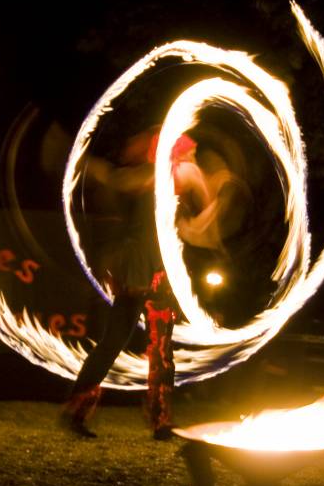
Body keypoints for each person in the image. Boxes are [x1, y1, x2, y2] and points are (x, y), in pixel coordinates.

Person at [61, 126, 245, 440]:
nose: (192, 157)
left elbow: (200, 224)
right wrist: (90, 165)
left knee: (160, 347)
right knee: (117, 342)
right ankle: (78, 409)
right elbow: (123, 182)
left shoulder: (185, 174)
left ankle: (160, 420)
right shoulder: (163, 174)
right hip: (138, 267)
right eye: (188, 151)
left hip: (162, 269)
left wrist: (215, 208)